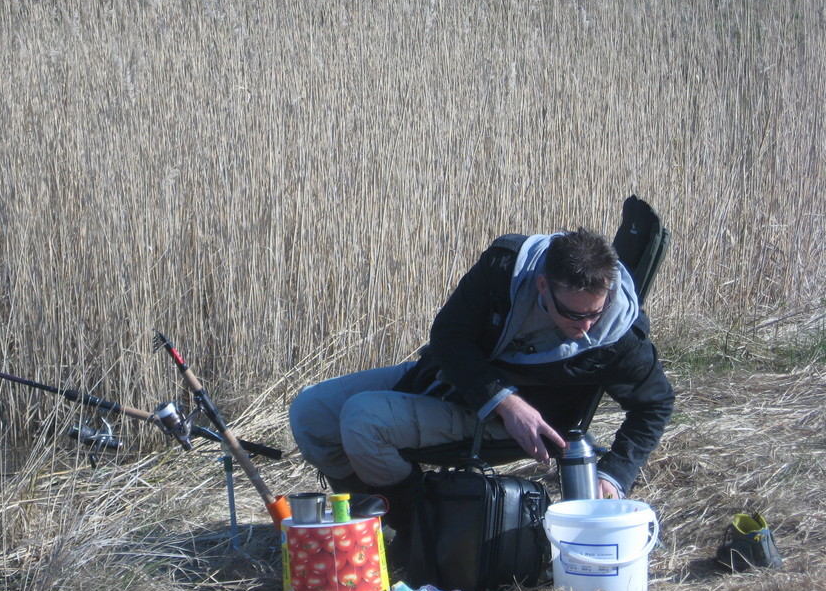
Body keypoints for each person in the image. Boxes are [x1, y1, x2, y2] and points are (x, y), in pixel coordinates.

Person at [289, 227, 675, 545]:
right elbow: (447, 335)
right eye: (573, 314)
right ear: (542, 285)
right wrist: (506, 401)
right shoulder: (504, 267)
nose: (587, 326)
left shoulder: (620, 335)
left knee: (362, 420)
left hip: (504, 427)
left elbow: (655, 404)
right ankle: (371, 524)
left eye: (595, 312)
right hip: (455, 383)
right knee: (310, 413)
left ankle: (413, 534)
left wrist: (614, 473)